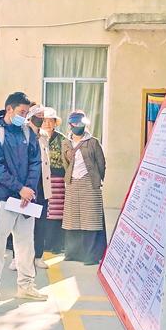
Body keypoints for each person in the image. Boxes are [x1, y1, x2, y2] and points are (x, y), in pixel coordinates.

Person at [0, 92, 48, 307]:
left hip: (26, 199)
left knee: (25, 245)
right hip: (2, 198)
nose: (25, 116)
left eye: (27, 112)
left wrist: (28, 189)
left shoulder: (28, 132)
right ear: (9, 109)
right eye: (22, 112)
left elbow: (35, 162)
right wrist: (20, 188)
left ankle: (26, 286)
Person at [62, 111, 107, 265]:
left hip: (90, 182)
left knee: (91, 219)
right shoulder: (65, 142)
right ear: (70, 125)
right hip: (72, 183)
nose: (79, 127)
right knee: (72, 219)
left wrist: (97, 179)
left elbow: (101, 163)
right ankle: (73, 253)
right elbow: (65, 163)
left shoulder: (93, 142)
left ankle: (91, 256)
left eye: (82, 124)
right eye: (76, 124)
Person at [25, 105, 54, 270]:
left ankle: (38, 256)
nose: (41, 118)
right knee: (24, 223)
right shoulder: (22, 132)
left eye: (43, 116)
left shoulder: (44, 135)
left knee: (41, 223)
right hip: (28, 184)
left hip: (42, 184)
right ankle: (19, 256)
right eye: (38, 115)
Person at [42, 109, 67, 254]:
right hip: (43, 179)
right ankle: (45, 242)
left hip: (58, 179)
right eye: (45, 120)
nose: (47, 123)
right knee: (45, 212)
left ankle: (57, 244)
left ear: (55, 123)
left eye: (51, 121)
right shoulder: (38, 137)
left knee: (58, 214)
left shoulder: (62, 139)